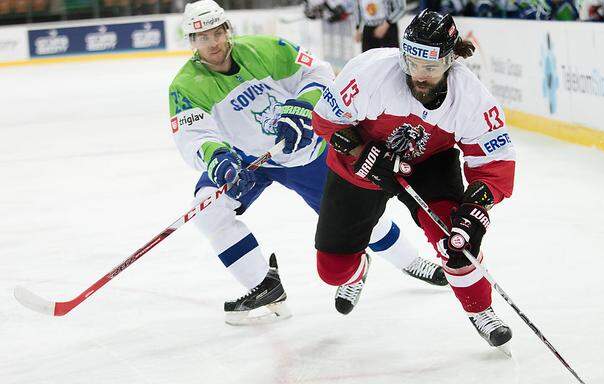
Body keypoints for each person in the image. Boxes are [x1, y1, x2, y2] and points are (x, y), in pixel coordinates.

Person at [169, 0, 447, 325]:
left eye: (217, 33)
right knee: (208, 210)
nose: (212, 43)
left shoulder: (266, 49)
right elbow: (193, 134)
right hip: (246, 159)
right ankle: (264, 284)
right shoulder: (186, 85)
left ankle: (410, 260)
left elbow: (318, 72)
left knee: (356, 220)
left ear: (228, 30)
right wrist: (218, 159)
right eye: (202, 37)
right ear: (191, 41)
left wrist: (302, 107)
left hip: (306, 151)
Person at [312, 10, 516, 352]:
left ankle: (480, 309)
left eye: (431, 68)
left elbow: (494, 163)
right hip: (361, 164)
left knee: (458, 240)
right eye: (412, 64)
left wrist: (476, 207)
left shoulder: (471, 98)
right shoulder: (371, 72)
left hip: (428, 163)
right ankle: (359, 267)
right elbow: (325, 120)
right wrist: (362, 150)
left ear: (450, 61)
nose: (418, 76)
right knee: (332, 271)